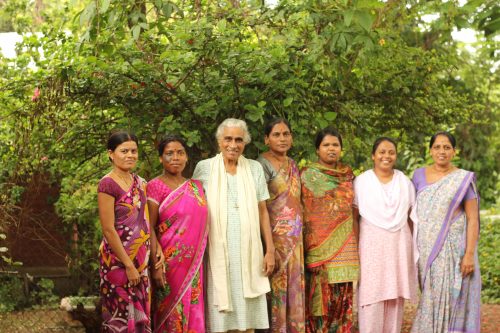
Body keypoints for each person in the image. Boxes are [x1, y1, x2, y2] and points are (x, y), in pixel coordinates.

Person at [193, 118, 275, 333]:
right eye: (228, 138)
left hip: (249, 253)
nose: (233, 144)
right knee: (221, 315)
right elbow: (194, 209)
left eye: (239, 140)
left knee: (248, 319)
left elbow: (263, 211)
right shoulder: (204, 168)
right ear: (219, 141)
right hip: (217, 253)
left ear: (245, 143)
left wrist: (270, 250)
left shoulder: (255, 168)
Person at [411, 131, 481, 333]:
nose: (442, 151)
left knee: (450, 299)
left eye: (447, 147)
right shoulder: (418, 175)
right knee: (429, 298)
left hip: (452, 251)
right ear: (430, 150)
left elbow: (473, 218)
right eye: (437, 147)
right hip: (425, 249)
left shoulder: (462, 179)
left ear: (454, 151)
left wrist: (468, 254)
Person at [352, 137, 417, 333]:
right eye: (382, 152)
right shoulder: (361, 182)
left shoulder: (404, 182)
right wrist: (355, 248)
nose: (386, 156)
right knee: (371, 299)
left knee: (394, 300)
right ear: (373, 155)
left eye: (391, 152)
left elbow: (411, 218)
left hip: (398, 246)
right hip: (371, 247)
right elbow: (354, 217)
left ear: (396, 156)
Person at [97, 131, 158, 332]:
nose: (130, 155)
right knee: (120, 319)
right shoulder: (107, 184)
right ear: (111, 154)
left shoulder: (141, 183)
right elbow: (108, 228)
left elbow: (147, 222)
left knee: (141, 316)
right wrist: (128, 265)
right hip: (118, 262)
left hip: (141, 262)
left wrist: (158, 252)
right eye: (124, 151)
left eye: (133, 151)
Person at [147, 135, 208, 332]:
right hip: (167, 264)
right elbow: (150, 227)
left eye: (180, 153)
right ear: (160, 158)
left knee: (194, 312)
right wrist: (156, 265)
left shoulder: (196, 187)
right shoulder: (155, 186)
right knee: (169, 317)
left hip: (195, 265)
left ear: (187, 157)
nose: (175, 157)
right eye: (169, 153)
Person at [300, 127, 359, 333]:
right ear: (317, 149)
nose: (331, 149)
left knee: (342, 299)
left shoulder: (348, 176)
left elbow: (353, 211)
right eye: (326, 145)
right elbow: (306, 212)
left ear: (341, 149)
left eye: (335, 145)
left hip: (345, 247)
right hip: (318, 249)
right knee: (319, 305)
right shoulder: (307, 175)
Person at [257, 118, 305, 333]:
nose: (282, 138)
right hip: (273, 241)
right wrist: (269, 247)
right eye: (276, 134)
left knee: (295, 290)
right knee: (275, 292)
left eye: (286, 134)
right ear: (267, 139)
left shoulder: (293, 165)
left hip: (296, 243)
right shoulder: (261, 165)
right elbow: (260, 207)